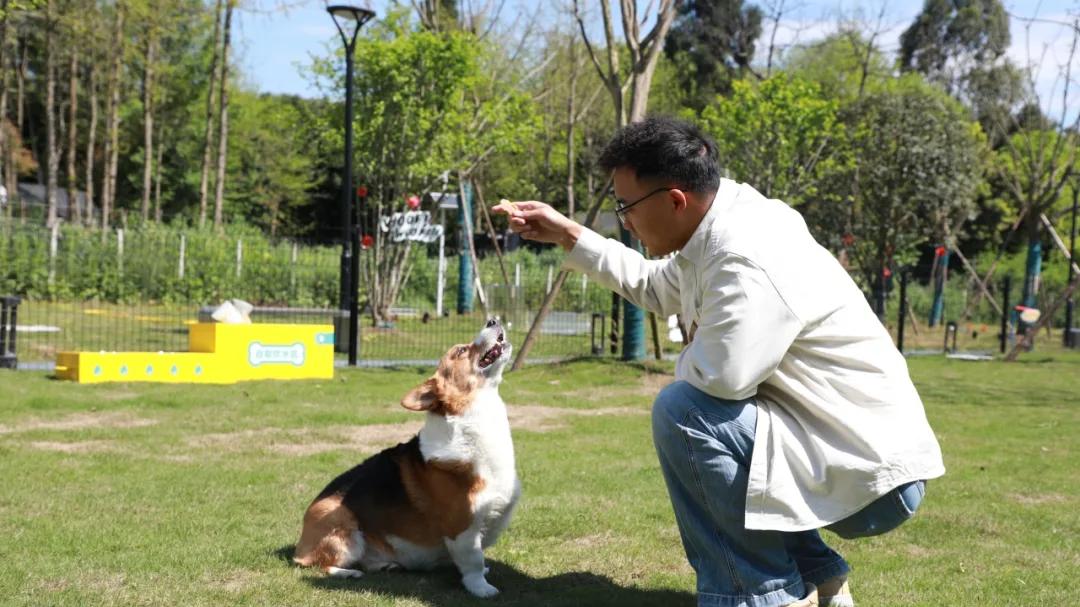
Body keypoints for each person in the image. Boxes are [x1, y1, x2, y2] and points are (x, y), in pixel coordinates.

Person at [493, 116, 945, 607]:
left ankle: (758, 595)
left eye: (626, 207)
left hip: (871, 475)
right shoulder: (717, 226)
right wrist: (569, 234)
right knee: (696, 410)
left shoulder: (742, 253)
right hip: (842, 448)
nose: (625, 221)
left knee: (685, 413)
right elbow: (656, 287)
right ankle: (818, 577)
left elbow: (721, 378)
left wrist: (693, 355)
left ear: (674, 200)